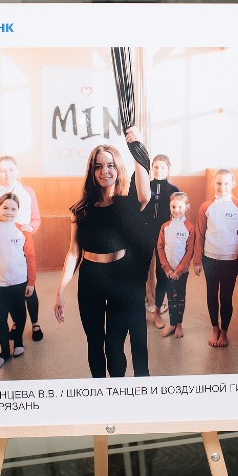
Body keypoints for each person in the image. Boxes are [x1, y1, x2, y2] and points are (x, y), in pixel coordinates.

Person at [54, 130, 152, 378]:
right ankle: (100, 389)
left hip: (121, 280)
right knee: (95, 342)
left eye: (110, 165)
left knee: (114, 346)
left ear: (118, 168)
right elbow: (73, 251)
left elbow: (145, 195)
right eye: (98, 166)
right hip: (90, 280)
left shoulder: (127, 202)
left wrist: (137, 148)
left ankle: (116, 388)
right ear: (92, 171)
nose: (104, 171)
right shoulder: (81, 209)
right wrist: (60, 290)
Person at [0, 155, 45, 342]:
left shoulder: (28, 191)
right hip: (3, 245)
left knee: (29, 285)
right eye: (2, 170)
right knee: (11, 289)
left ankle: (35, 323)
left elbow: (36, 218)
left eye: (10, 169)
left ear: (17, 170)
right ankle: (16, 323)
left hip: (22, 241)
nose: (7, 174)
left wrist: (31, 228)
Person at [193, 169, 238, 348]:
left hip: (230, 260)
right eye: (218, 183)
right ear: (214, 184)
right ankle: (215, 329)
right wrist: (197, 260)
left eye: (226, 183)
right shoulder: (206, 206)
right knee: (211, 295)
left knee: (226, 297)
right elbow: (199, 234)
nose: (222, 187)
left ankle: (224, 331)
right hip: (210, 258)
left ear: (233, 184)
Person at [0, 192, 37, 369]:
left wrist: (31, 282)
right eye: (5, 208)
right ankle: (4, 351)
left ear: (18, 210)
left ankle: (18, 342)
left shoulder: (23, 231)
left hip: (20, 282)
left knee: (20, 316)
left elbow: (31, 258)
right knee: (0, 319)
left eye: (13, 209)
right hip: (1, 284)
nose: (9, 212)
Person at [136, 153, 180, 330]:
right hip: (146, 235)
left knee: (162, 275)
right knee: (143, 272)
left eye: (162, 167)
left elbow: (178, 215)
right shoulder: (145, 186)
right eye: (155, 167)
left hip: (164, 238)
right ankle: (143, 308)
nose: (158, 170)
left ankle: (157, 313)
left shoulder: (173, 190)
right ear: (151, 169)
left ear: (168, 170)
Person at [156, 191, 197, 339]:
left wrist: (179, 271)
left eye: (180, 207)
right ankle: (172, 324)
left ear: (187, 207)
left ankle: (179, 324)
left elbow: (190, 251)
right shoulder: (165, 227)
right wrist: (166, 268)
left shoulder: (190, 228)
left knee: (179, 297)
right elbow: (160, 247)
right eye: (173, 207)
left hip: (181, 272)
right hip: (168, 271)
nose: (176, 210)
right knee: (170, 298)